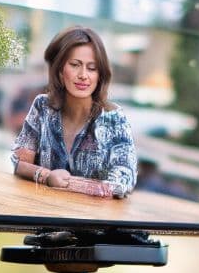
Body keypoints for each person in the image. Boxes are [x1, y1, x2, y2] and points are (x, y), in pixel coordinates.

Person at [10, 26, 137, 198]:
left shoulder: (113, 119)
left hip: (91, 220)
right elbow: (19, 162)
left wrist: (61, 182)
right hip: (42, 214)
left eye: (92, 68)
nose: (83, 75)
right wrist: (47, 176)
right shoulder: (43, 107)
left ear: (100, 75)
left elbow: (122, 182)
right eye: (75, 65)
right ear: (61, 70)